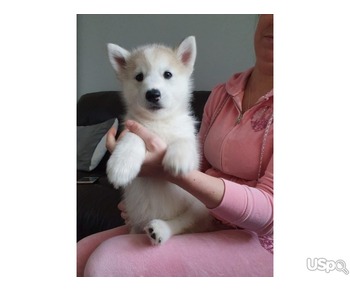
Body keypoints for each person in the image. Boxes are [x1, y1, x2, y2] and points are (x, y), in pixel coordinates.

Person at [77, 14, 274, 277]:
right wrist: (134, 154)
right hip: (196, 212)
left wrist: (167, 169)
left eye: (167, 74)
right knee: (77, 257)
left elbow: (186, 156)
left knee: (106, 262)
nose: (153, 87)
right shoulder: (223, 94)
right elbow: (199, 159)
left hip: (256, 236)